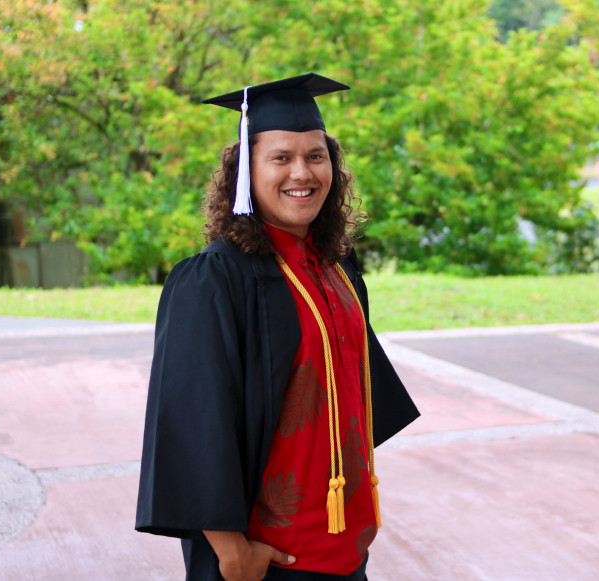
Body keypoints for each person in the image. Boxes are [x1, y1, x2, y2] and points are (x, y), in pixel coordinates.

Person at [135, 73, 420, 581]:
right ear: (245, 172)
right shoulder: (215, 280)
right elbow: (191, 418)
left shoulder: (335, 266)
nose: (302, 172)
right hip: (267, 560)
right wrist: (231, 552)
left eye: (316, 155)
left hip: (345, 547)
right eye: (281, 157)